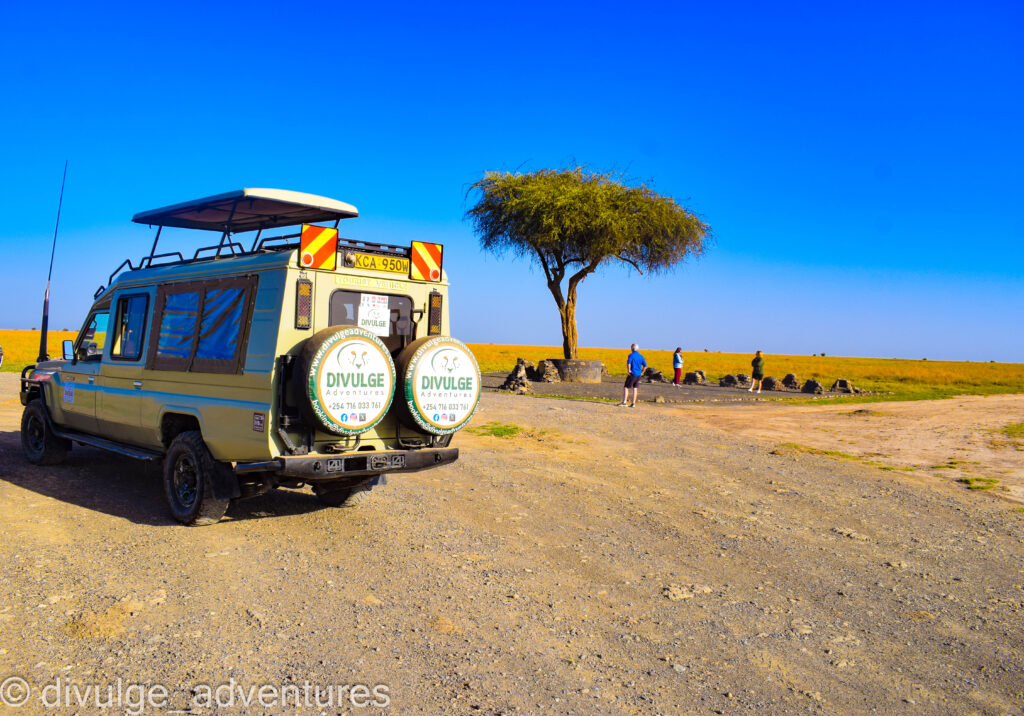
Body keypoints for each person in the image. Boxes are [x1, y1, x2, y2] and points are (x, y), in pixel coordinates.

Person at [619, 343, 647, 407]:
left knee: (626, 387)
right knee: (635, 388)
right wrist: (642, 372)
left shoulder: (631, 355)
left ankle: (624, 402)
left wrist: (629, 370)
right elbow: (645, 365)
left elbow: (629, 363)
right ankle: (633, 403)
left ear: (632, 348)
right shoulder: (641, 356)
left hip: (633, 373)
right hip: (638, 374)